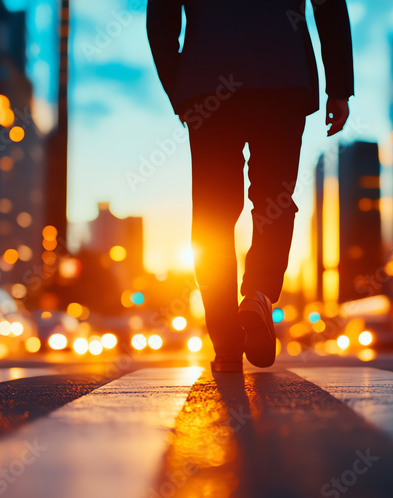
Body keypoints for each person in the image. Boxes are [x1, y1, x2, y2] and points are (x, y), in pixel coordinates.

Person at [147, 0, 354, 371]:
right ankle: (258, 292)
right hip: (281, 75)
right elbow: (329, 7)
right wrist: (339, 86)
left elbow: (161, 16)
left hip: (207, 78)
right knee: (274, 197)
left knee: (214, 212)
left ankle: (226, 344)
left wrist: (178, 86)